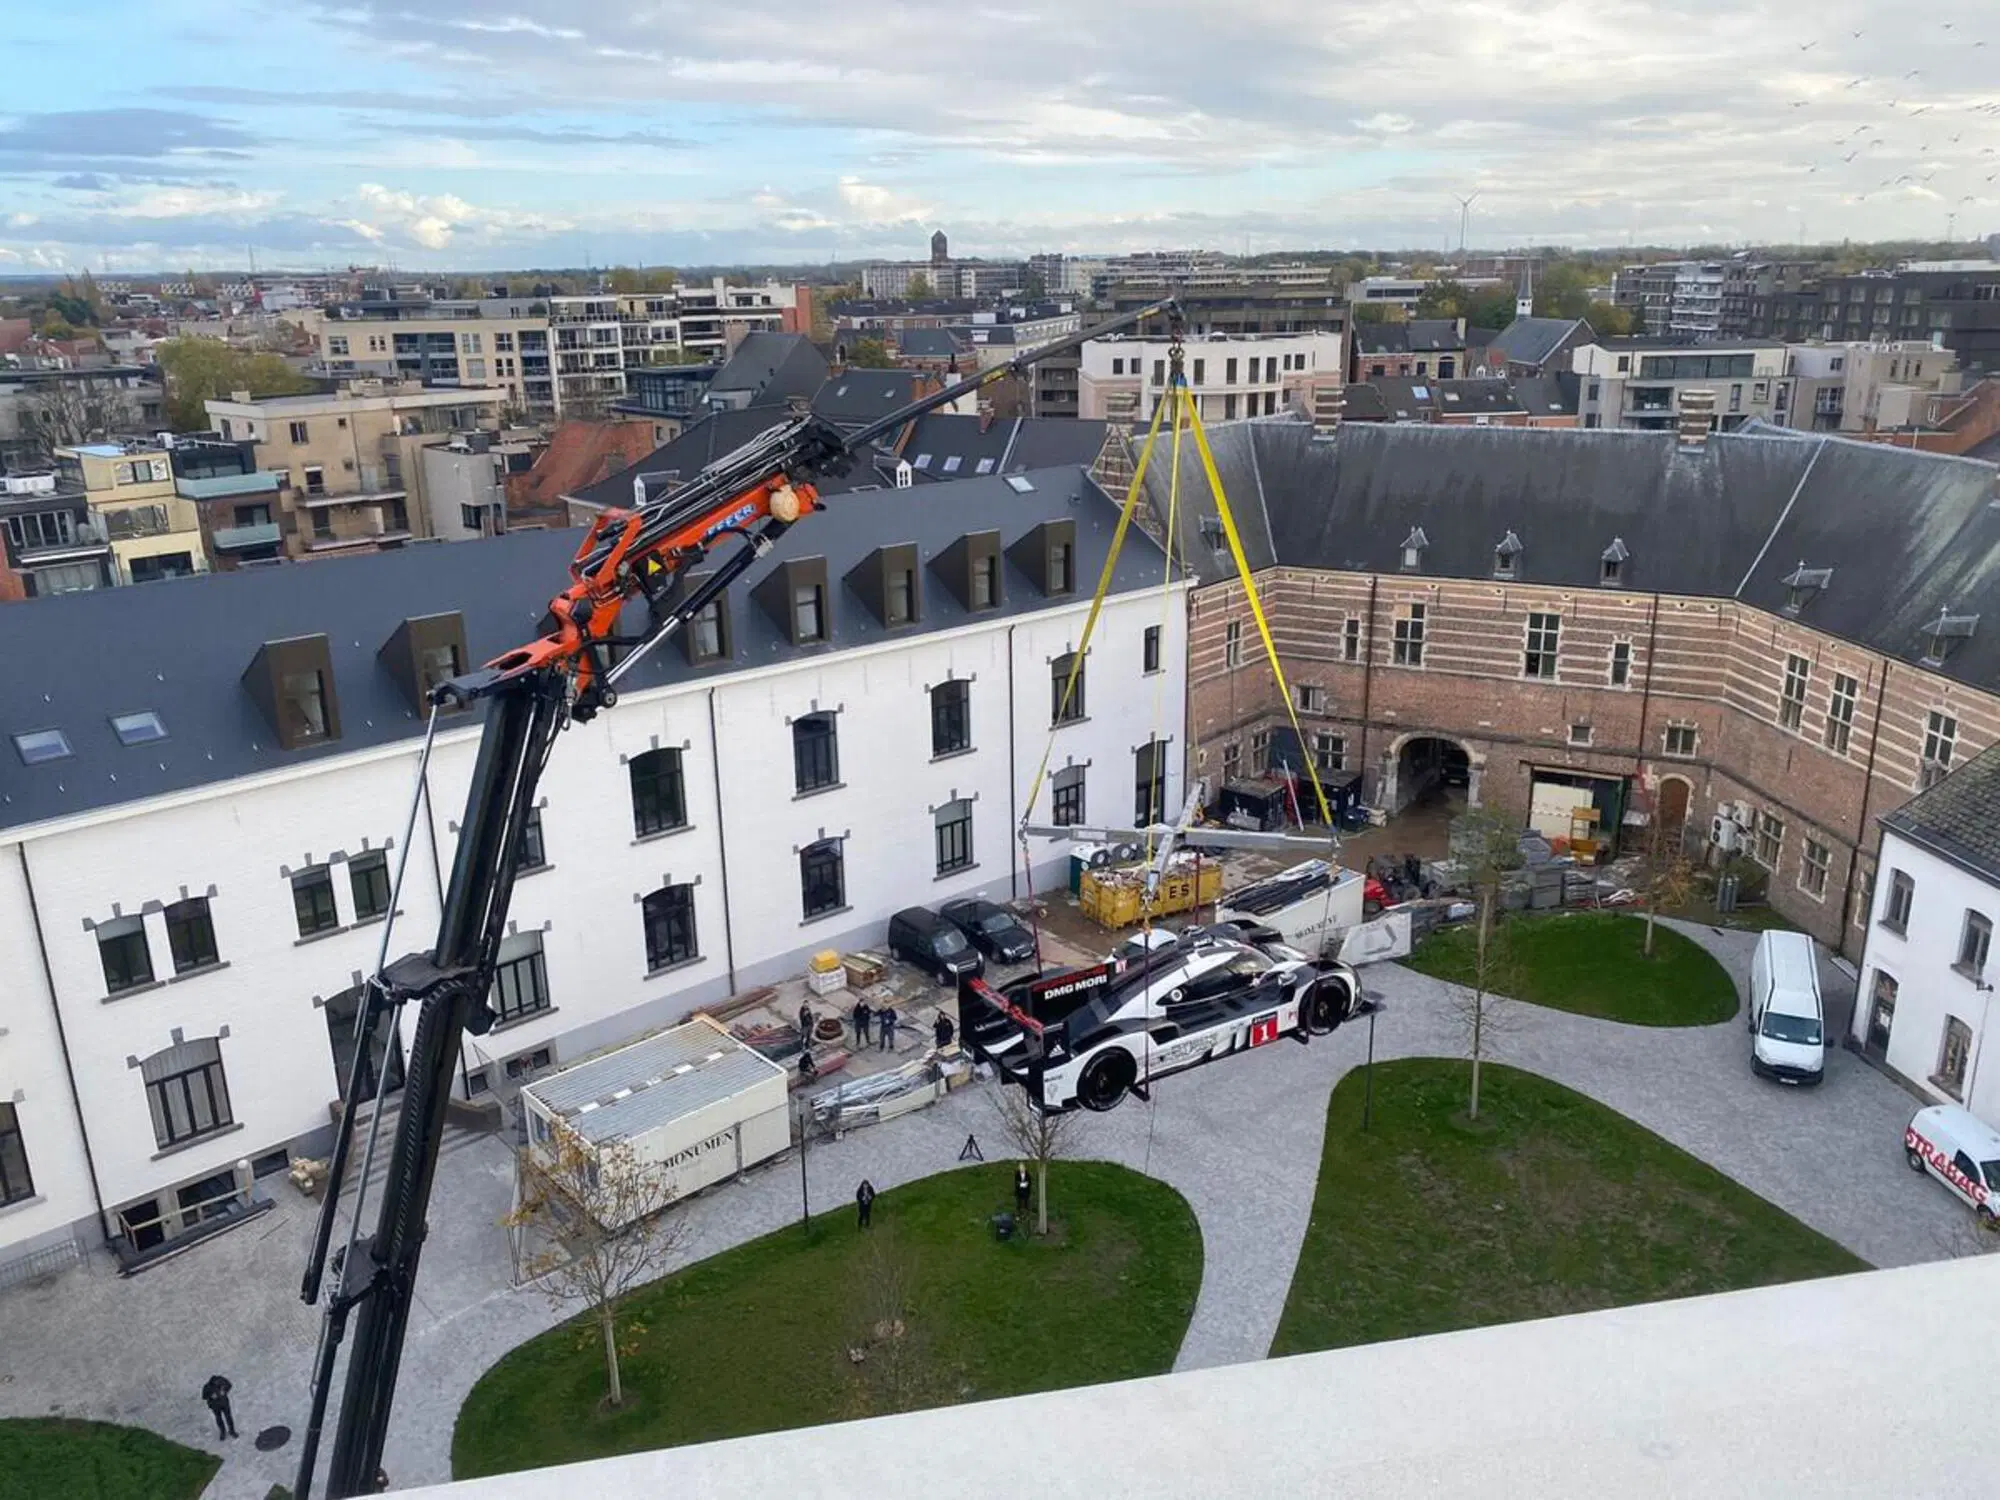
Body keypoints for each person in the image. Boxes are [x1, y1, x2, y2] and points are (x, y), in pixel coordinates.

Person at [201, 1373, 237, 1440]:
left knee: (228, 1417)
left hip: (224, 1403)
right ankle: (223, 1432)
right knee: (219, 1419)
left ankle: (232, 1431)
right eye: (215, 1383)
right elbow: (203, 1397)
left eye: (217, 1382)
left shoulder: (222, 1380)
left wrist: (225, 1391)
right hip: (215, 1406)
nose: (217, 1384)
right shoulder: (207, 1387)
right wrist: (211, 1396)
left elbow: (229, 1385)